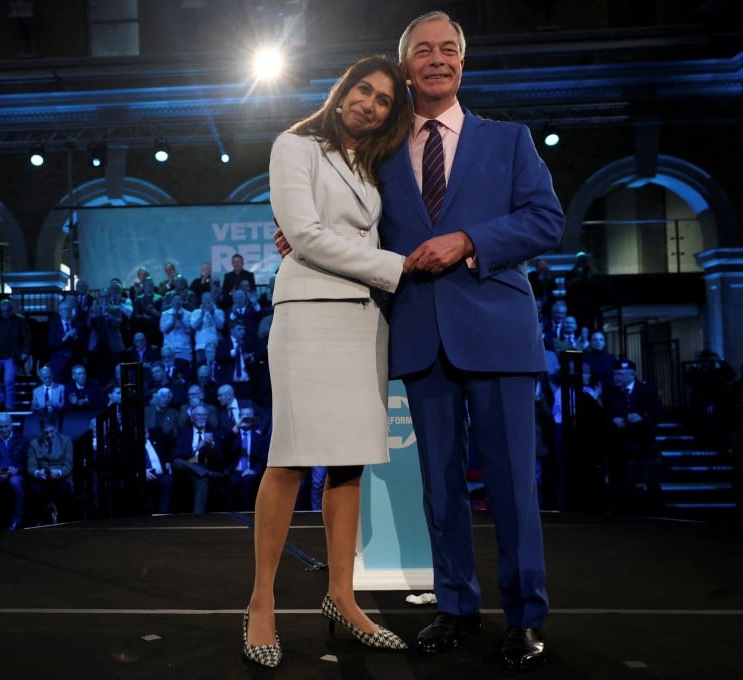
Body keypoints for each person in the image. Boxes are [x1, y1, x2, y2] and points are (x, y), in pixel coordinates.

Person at [377, 11, 564, 670]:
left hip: (500, 336)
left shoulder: (508, 140)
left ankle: (524, 616)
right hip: (421, 337)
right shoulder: (380, 151)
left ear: (462, 62)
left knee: (513, 486)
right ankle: (456, 607)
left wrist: (470, 241)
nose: (436, 58)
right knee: (439, 488)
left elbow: (547, 220)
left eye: (447, 49)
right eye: (423, 50)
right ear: (405, 67)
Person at [244, 55, 412, 668]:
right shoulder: (296, 144)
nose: (369, 103)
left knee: (348, 464)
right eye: (363, 90)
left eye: (384, 99)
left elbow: (336, 235)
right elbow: (306, 234)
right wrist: (394, 267)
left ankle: (342, 594)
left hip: (363, 319)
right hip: (310, 312)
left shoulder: (369, 164)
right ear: (342, 90)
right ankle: (261, 601)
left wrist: (375, 268)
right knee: (289, 458)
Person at [602, 358, 663, 511]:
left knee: (648, 479)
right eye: (615, 374)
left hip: (642, 442)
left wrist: (642, 417)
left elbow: (657, 412)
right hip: (619, 444)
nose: (616, 377)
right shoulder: (610, 392)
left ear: (631, 375)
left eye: (620, 374)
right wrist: (612, 420)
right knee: (621, 479)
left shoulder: (646, 390)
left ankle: (652, 508)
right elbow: (603, 413)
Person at [171, 405, 228, 514]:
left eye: (204, 415)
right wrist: (196, 447)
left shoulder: (214, 432)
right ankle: (207, 473)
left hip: (202, 468)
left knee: (202, 481)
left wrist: (212, 447)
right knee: (176, 462)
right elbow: (175, 454)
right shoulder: (183, 432)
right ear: (192, 418)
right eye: (198, 415)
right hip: (187, 468)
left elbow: (221, 458)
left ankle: (198, 518)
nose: (201, 417)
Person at [0, 299, 31, 410]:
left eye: (7, 311)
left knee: (9, 381)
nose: (6, 314)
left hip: (11, 356)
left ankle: (10, 405)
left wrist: (25, 352)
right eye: (3, 312)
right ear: (0, 311)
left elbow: (27, 338)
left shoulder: (19, 321)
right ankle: (0, 397)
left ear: (11, 310)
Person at [27, 417, 73, 524]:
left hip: (61, 478)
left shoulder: (65, 441)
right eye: (46, 432)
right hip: (43, 479)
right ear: (41, 431)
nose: (49, 435)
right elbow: (31, 468)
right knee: (36, 489)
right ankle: (40, 520)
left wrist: (59, 472)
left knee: (64, 489)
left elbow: (68, 465)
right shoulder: (34, 444)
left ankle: (62, 519)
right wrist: (38, 473)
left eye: (52, 431)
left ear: (56, 429)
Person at [47, 298, 82, 384]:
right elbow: (51, 346)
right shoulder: (54, 325)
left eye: (68, 309)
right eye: (63, 309)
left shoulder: (78, 325)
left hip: (74, 362)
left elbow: (83, 345)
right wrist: (64, 338)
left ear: (71, 311)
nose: (66, 311)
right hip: (59, 363)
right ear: (60, 312)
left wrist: (76, 338)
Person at [189, 291, 225, 364]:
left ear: (213, 300)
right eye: (205, 299)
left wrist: (213, 314)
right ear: (202, 300)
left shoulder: (219, 312)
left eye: (209, 299)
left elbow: (221, 326)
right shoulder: (196, 312)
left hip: (215, 345)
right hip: (200, 346)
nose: (207, 301)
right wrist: (202, 314)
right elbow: (194, 326)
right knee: (201, 367)